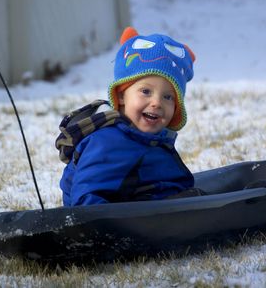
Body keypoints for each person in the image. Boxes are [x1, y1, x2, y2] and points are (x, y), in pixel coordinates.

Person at [56, 27, 203, 206]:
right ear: (120, 95)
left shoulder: (151, 140)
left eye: (168, 97)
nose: (157, 103)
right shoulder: (107, 142)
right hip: (114, 223)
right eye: (146, 91)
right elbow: (88, 199)